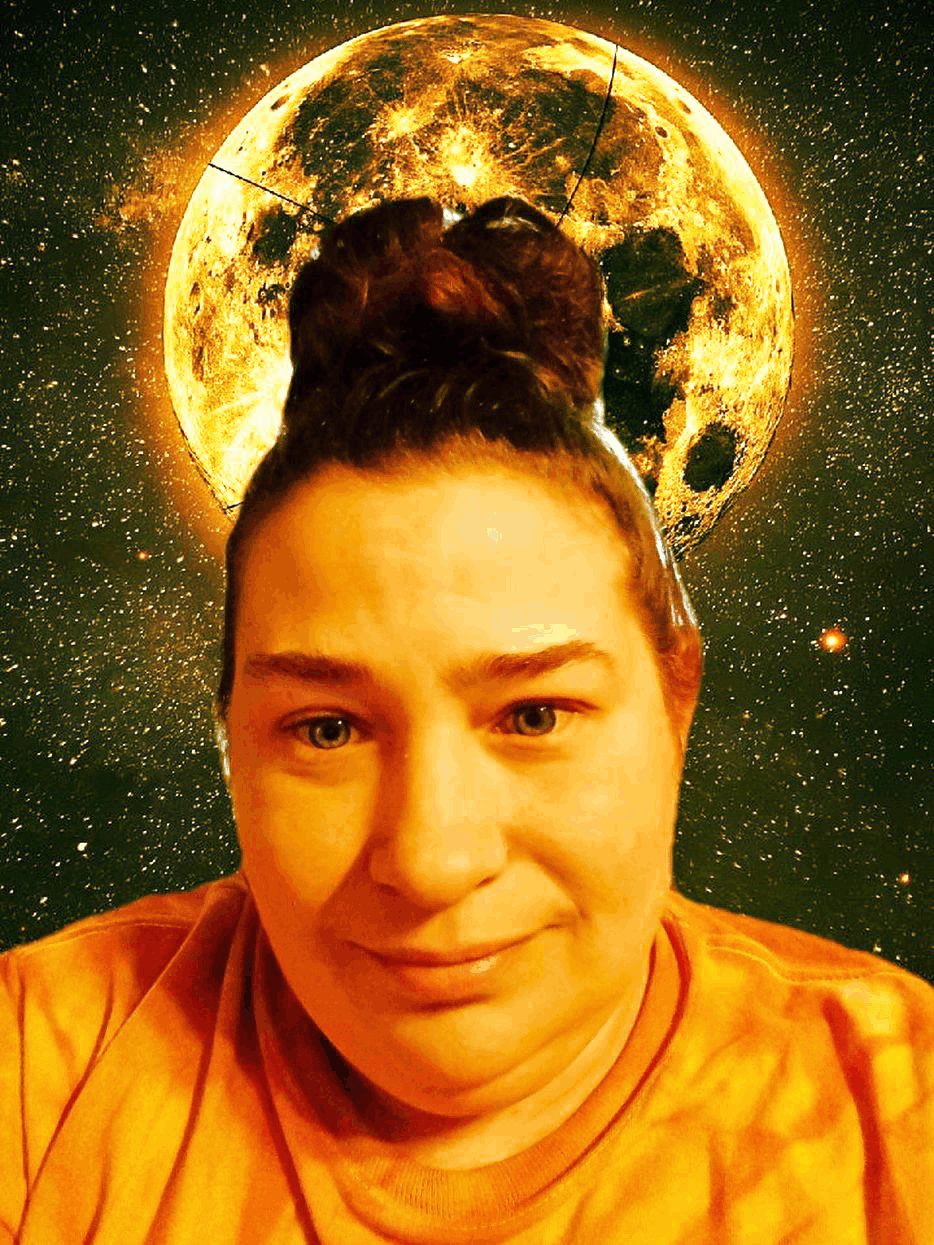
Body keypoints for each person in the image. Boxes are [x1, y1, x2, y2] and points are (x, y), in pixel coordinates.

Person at [1, 196, 931, 1244]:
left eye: (533, 714)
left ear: (676, 707)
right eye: (326, 729)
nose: (432, 861)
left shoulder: (902, 1117)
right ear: (229, 745)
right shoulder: (41, 1070)